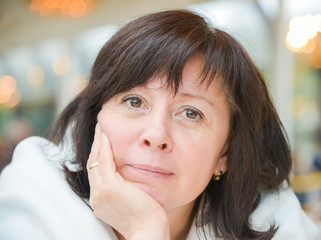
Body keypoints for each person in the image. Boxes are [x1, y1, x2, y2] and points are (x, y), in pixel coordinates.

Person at [0, 10, 319, 240]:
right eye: (134, 102)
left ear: (226, 152)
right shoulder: (35, 196)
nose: (156, 136)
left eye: (191, 113)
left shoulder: (273, 218)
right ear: (96, 116)